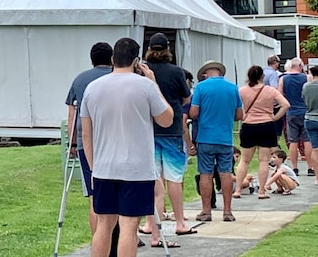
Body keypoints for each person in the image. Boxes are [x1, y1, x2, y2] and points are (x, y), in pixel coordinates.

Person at [80, 37, 174, 255]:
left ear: (113, 59)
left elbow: (86, 132)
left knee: (104, 225)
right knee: (129, 228)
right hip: (136, 169)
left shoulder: (92, 88)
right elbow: (166, 119)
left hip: (104, 167)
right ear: (137, 60)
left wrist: (94, 167)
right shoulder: (145, 86)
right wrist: (153, 82)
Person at [64, 42, 119, 252]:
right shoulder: (118, 77)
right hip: (113, 140)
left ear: (91, 59)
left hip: (87, 143)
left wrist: (72, 143)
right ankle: (118, 239)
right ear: (112, 59)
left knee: (95, 195)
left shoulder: (80, 79)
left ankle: (99, 241)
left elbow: (72, 114)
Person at [139, 33, 194, 239]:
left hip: (149, 130)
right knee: (174, 179)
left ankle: (150, 223)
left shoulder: (142, 72)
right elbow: (187, 97)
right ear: (168, 49)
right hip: (172, 130)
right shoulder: (176, 72)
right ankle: (180, 222)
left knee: (154, 180)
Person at [190, 60, 243, 223]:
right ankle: (227, 211)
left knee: (205, 174)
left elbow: (193, 113)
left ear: (205, 74)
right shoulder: (233, 88)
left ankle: (206, 211)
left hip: (205, 137)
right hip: (225, 138)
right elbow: (239, 115)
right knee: (225, 173)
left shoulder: (201, 87)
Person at [234, 65, 290, 200]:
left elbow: (235, 106)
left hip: (249, 125)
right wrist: (275, 117)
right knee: (264, 160)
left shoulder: (242, 90)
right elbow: (286, 104)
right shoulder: (270, 90)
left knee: (244, 160)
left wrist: (244, 116)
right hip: (266, 125)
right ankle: (261, 191)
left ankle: (238, 190)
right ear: (262, 77)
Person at [278, 58, 312, 176]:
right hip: (305, 111)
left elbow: (280, 95)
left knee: (293, 141)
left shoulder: (283, 79)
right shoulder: (306, 78)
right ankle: (310, 167)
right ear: (300, 65)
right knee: (307, 140)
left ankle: (295, 167)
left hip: (291, 112)